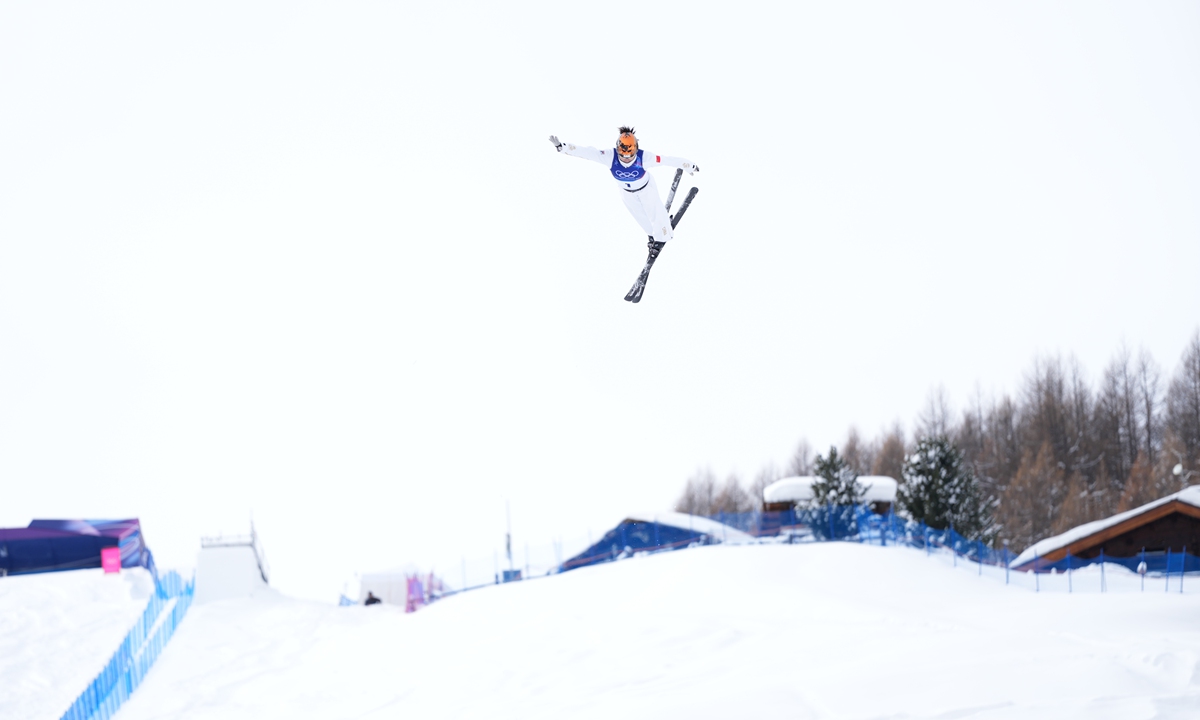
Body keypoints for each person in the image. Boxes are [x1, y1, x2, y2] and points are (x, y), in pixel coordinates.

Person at [549, 126, 698, 263]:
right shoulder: (609, 156)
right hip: (627, 193)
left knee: (655, 212)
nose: (626, 158)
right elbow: (588, 152)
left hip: (646, 189)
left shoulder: (644, 157)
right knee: (640, 217)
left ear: (636, 149)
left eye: (630, 153)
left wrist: (688, 165)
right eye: (623, 153)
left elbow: (667, 160)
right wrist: (563, 147)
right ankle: (652, 236)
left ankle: (663, 235)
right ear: (618, 148)